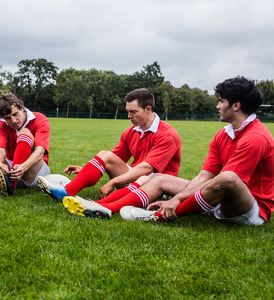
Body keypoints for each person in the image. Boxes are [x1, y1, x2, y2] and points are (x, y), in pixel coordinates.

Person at [117, 76, 273, 225]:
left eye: (221, 101)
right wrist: (179, 197)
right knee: (160, 178)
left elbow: (229, 182)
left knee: (227, 178)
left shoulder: (256, 137)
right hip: (222, 202)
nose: (217, 106)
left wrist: (176, 200)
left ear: (236, 105)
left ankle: (158, 216)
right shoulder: (224, 134)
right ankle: (107, 207)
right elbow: (205, 176)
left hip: (251, 211)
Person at [38, 88, 182, 216]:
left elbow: (147, 168)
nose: (129, 116)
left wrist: (113, 182)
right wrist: (85, 171)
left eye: (133, 112)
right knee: (105, 154)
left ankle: (97, 205)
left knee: (144, 178)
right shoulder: (131, 131)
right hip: (135, 178)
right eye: (128, 112)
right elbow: (113, 159)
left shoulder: (167, 135)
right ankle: (67, 191)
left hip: (158, 186)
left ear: (148, 109)